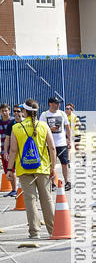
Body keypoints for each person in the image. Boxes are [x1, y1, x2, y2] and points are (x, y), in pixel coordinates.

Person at [6, 99, 56, 239]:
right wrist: (52, 166)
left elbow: (13, 151)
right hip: (43, 167)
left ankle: (34, 232)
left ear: (25, 112)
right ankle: (53, 230)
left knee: (30, 200)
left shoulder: (17, 128)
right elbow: (52, 147)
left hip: (24, 168)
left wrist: (10, 169)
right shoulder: (44, 126)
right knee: (46, 199)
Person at [40, 96, 71, 190]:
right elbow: (41, 129)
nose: (58, 105)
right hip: (49, 144)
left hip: (61, 143)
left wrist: (69, 140)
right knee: (51, 164)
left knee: (64, 163)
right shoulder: (44, 115)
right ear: (50, 104)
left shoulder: (62, 114)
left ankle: (67, 182)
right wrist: (50, 129)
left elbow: (67, 128)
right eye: (56, 103)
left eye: (59, 103)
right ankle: (53, 183)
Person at [0, 103, 17, 195]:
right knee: (8, 170)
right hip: (4, 150)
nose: (4, 112)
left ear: (9, 111)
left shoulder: (13, 121)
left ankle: (16, 190)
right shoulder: (0, 122)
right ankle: (13, 189)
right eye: (2, 111)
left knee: (13, 169)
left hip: (15, 150)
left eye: (6, 110)